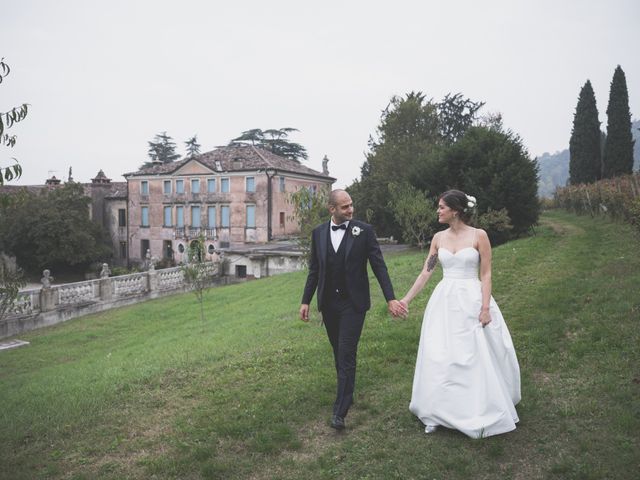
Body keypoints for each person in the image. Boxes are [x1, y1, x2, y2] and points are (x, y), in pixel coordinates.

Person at [399, 190, 520, 438]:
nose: (438, 211)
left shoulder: (479, 235)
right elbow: (426, 272)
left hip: (472, 298)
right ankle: (436, 411)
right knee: (440, 353)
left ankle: (476, 407)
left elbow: (486, 274)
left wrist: (485, 308)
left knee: (473, 353)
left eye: (441, 207)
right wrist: (406, 300)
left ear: (455, 210)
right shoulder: (437, 238)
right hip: (444, 301)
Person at [300, 189, 407, 431]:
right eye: (345, 207)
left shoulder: (364, 231)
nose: (351, 210)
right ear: (332, 210)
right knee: (338, 353)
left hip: (353, 304)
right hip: (328, 304)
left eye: (351, 205)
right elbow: (314, 270)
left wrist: (390, 298)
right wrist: (305, 300)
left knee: (347, 352)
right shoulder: (318, 233)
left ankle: (340, 411)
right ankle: (347, 390)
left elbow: (379, 267)